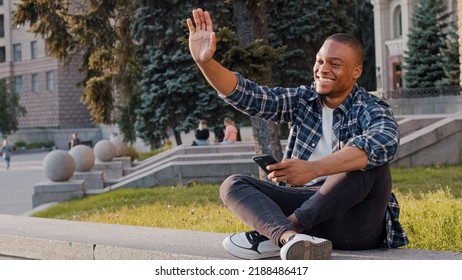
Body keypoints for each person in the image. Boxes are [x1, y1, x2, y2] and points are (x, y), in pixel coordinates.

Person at [186, 8, 408, 260]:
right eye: (320, 61)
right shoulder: (303, 99)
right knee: (233, 184)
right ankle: (289, 239)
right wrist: (205, 62)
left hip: (352, 223)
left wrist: (313, 169)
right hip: (304, 206)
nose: (323, 69)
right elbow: (250, 96)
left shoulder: (370, 107)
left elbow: (384, 142)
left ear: (356, 72)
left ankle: (281, 232)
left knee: (370, 163)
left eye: (335, 64)